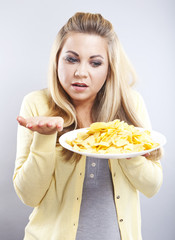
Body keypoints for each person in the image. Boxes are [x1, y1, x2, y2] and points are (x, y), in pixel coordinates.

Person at [13, 12, 163, 240]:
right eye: (71, 59)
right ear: (57, 60)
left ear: (109, 68)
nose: (80, 72)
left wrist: (126, 150)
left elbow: (152, 186)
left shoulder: (131, 104)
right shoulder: (36, 104)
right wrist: (44, 137)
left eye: (95, 63)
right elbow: (29, 196)